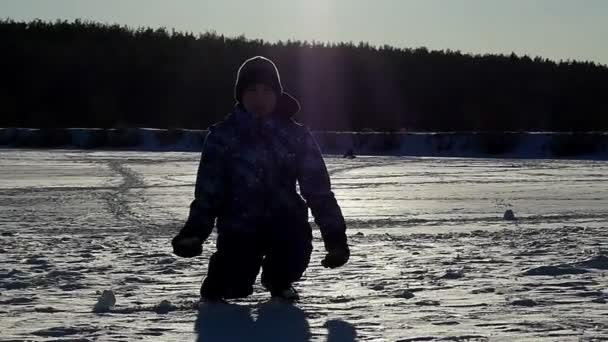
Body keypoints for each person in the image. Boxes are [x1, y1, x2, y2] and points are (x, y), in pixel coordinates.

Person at [171, 56, 350, 302]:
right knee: (233, 286)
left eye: (267, 91)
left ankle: (280, 281)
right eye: (252, 90)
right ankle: (221, 281)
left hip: (286, 224)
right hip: (239, 227)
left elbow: (318, 192)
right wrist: (194, 233)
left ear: (277, 95)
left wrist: (336, 239)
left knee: (293, 253)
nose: (259, 98)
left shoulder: (296, 136)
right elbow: (208, 193)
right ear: (240, 95)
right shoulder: (222, 138)